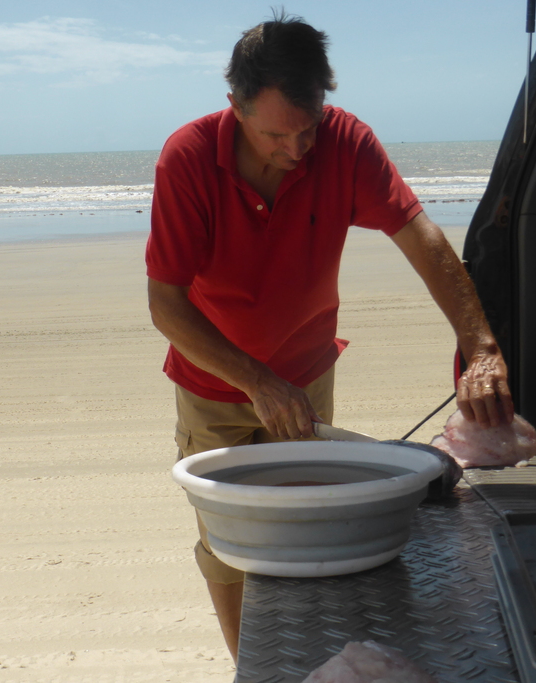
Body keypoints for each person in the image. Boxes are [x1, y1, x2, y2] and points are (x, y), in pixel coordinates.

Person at [145, 12, 513, 662]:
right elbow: (166, 305)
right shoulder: (188, 157)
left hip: (307, 376)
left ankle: (311, 662)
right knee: (230, 546)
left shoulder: (347, 144)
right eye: (274, 134)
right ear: (234, 105)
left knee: (306, 529)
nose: (296, 149)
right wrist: (256, 381)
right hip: (212, 385)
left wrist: (480, 345)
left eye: (308, 129)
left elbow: (422, 239)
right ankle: (250, 668)